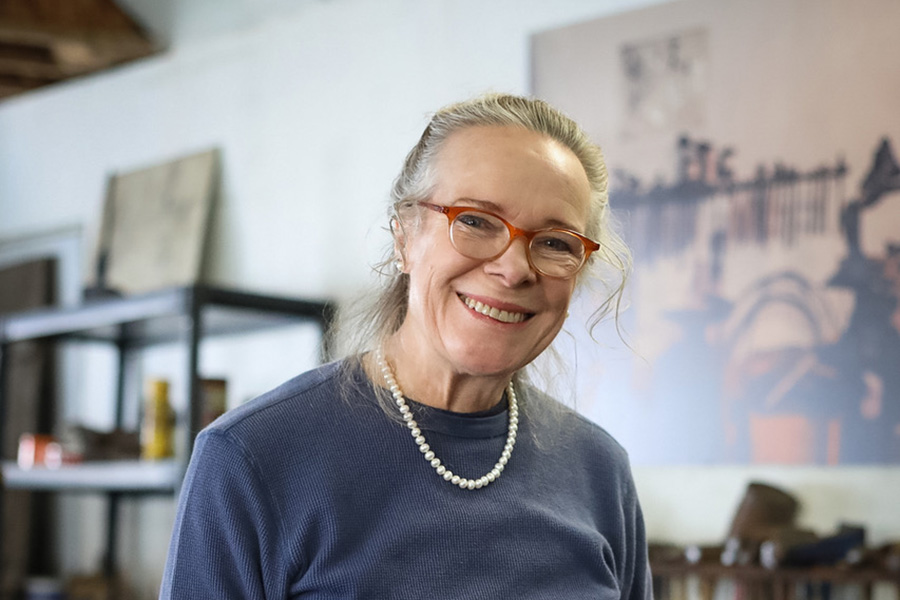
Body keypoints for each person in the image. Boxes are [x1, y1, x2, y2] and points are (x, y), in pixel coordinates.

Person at [160, 93, 652, 599]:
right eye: (476, 221)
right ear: (405, 237)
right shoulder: (251, 458)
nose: (514, 268)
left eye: (555, 242)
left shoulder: (600, 471)